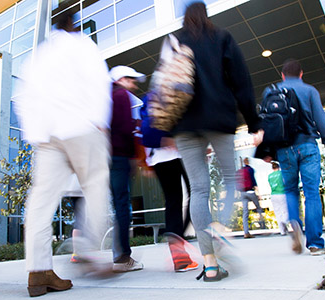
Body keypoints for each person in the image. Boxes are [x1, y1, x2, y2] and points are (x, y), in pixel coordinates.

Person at [15, 12, 112, 297]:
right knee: (96, 186)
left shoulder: (39, 56)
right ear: (75, 25)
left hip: (48, 136)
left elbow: (24, 96)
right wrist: (100, 123)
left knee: (41, 202)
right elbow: (99, 84)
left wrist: (36, 134)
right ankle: (87, 250)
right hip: (82, 127)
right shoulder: (84, 46)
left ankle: (38, 271)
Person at [171, 2, 263, 282]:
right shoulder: (221, 37)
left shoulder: (175, 41)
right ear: (205, 14)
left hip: (184, 124)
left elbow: (164, 83)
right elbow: (241, 82)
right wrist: (254, 121)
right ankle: (218, 226)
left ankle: (210, 266)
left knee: (198, 190)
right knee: (230, 178)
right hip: (219, 119)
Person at [271, 58, 325, 256]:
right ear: (301, 74)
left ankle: (294, 222)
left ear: (282, 75)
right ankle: (316, 244)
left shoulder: (273, 91)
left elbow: (267, 121)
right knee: (311, 194)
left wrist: (269, 151)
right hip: (308, 146)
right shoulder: (310, 91)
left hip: (284, 150)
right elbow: (321, 121)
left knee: (291, 191)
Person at [139, 93, 198, 272]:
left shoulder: (149, 99)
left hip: (158, 158)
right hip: (179, 153)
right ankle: (179, 239)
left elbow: (145, 131)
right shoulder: (175, 93)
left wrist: (147, 161)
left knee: (172, 202)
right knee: (197, 194)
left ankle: (179, 254)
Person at [107, 65, 145, 272]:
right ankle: (122, 258)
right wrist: (134, 156)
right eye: (131, 80)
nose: (134, 85)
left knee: (118, 205)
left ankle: (118, 254)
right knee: (123, 207)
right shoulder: (121, 95)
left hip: (110, 157)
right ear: (121, 79)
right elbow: (123, 128)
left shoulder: (109, 96)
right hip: (119, 157)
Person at [238, 157, 266, 239]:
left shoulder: (240, 171)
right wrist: (259, 193)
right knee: (259, 208)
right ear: (248, 162)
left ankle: (246, 232)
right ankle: (263, 225)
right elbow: (253, 181)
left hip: (243, 193)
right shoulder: (250, 169)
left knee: (245, 213)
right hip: (251, 192)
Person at [267, 162, 288, 235]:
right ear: (279, 167)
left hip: (273, 194)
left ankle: (282, 231)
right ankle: (284, 221)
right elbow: (285, 182)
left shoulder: (270, 176)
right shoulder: (281, 173)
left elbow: (270, 185)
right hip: (282, 193)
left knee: (278, 212)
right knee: (284, 210)